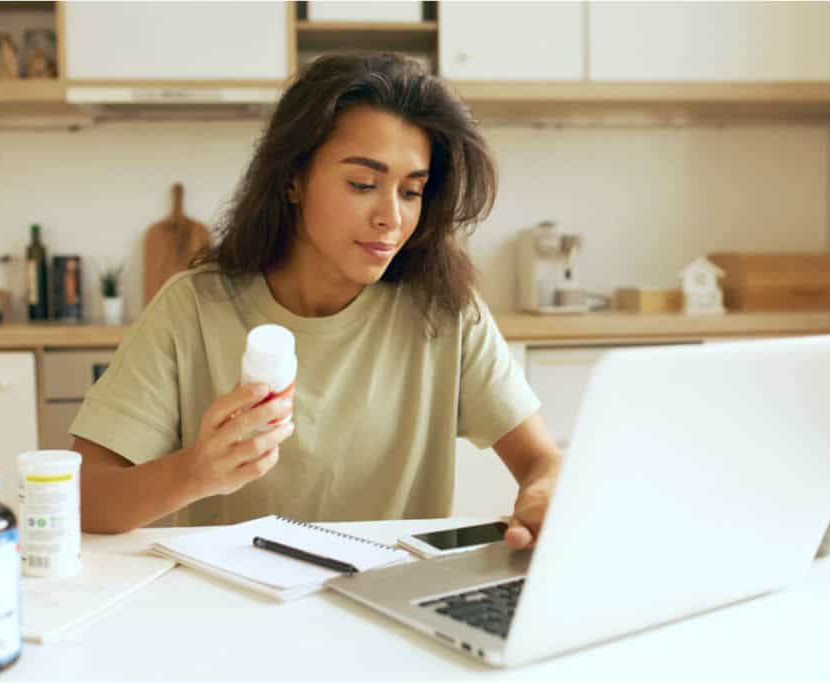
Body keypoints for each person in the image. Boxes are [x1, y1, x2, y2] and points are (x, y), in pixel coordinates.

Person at [70, 52, 562, 550]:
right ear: (293, 179)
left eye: (411, 192)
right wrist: (196, 472)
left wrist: (544, 496)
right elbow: (83, 496)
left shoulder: (445, 311)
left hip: (391, 605)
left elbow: (543, 462)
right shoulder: (194, 307)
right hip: (236, 612)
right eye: (363, 184)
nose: (391, 216)